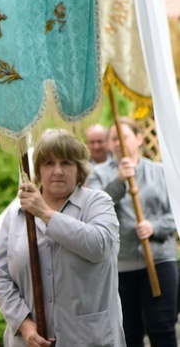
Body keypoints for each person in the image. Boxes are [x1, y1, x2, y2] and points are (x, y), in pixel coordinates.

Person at [0, 129, 125, 346]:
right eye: (49, 163)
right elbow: (0, 277)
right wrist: (25, 324)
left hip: (90, 339)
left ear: (79, 169)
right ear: (38, 170)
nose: (58, 171)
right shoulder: (16, 216)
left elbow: (99, 245)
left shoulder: (98, 203)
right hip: (29, 341)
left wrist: (45, 214)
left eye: (66, 163)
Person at [86, 118, 178, 347]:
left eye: (123, 137)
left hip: (159, 262)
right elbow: (95, 209)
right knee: (128, 334)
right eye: (113, 139)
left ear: (138, 138)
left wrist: (154, 227)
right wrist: (119, 181)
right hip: (121, 267)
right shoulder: (98, 175)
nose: (118, 143)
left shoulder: (160, 171)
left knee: (162, 329)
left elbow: (175, 214)